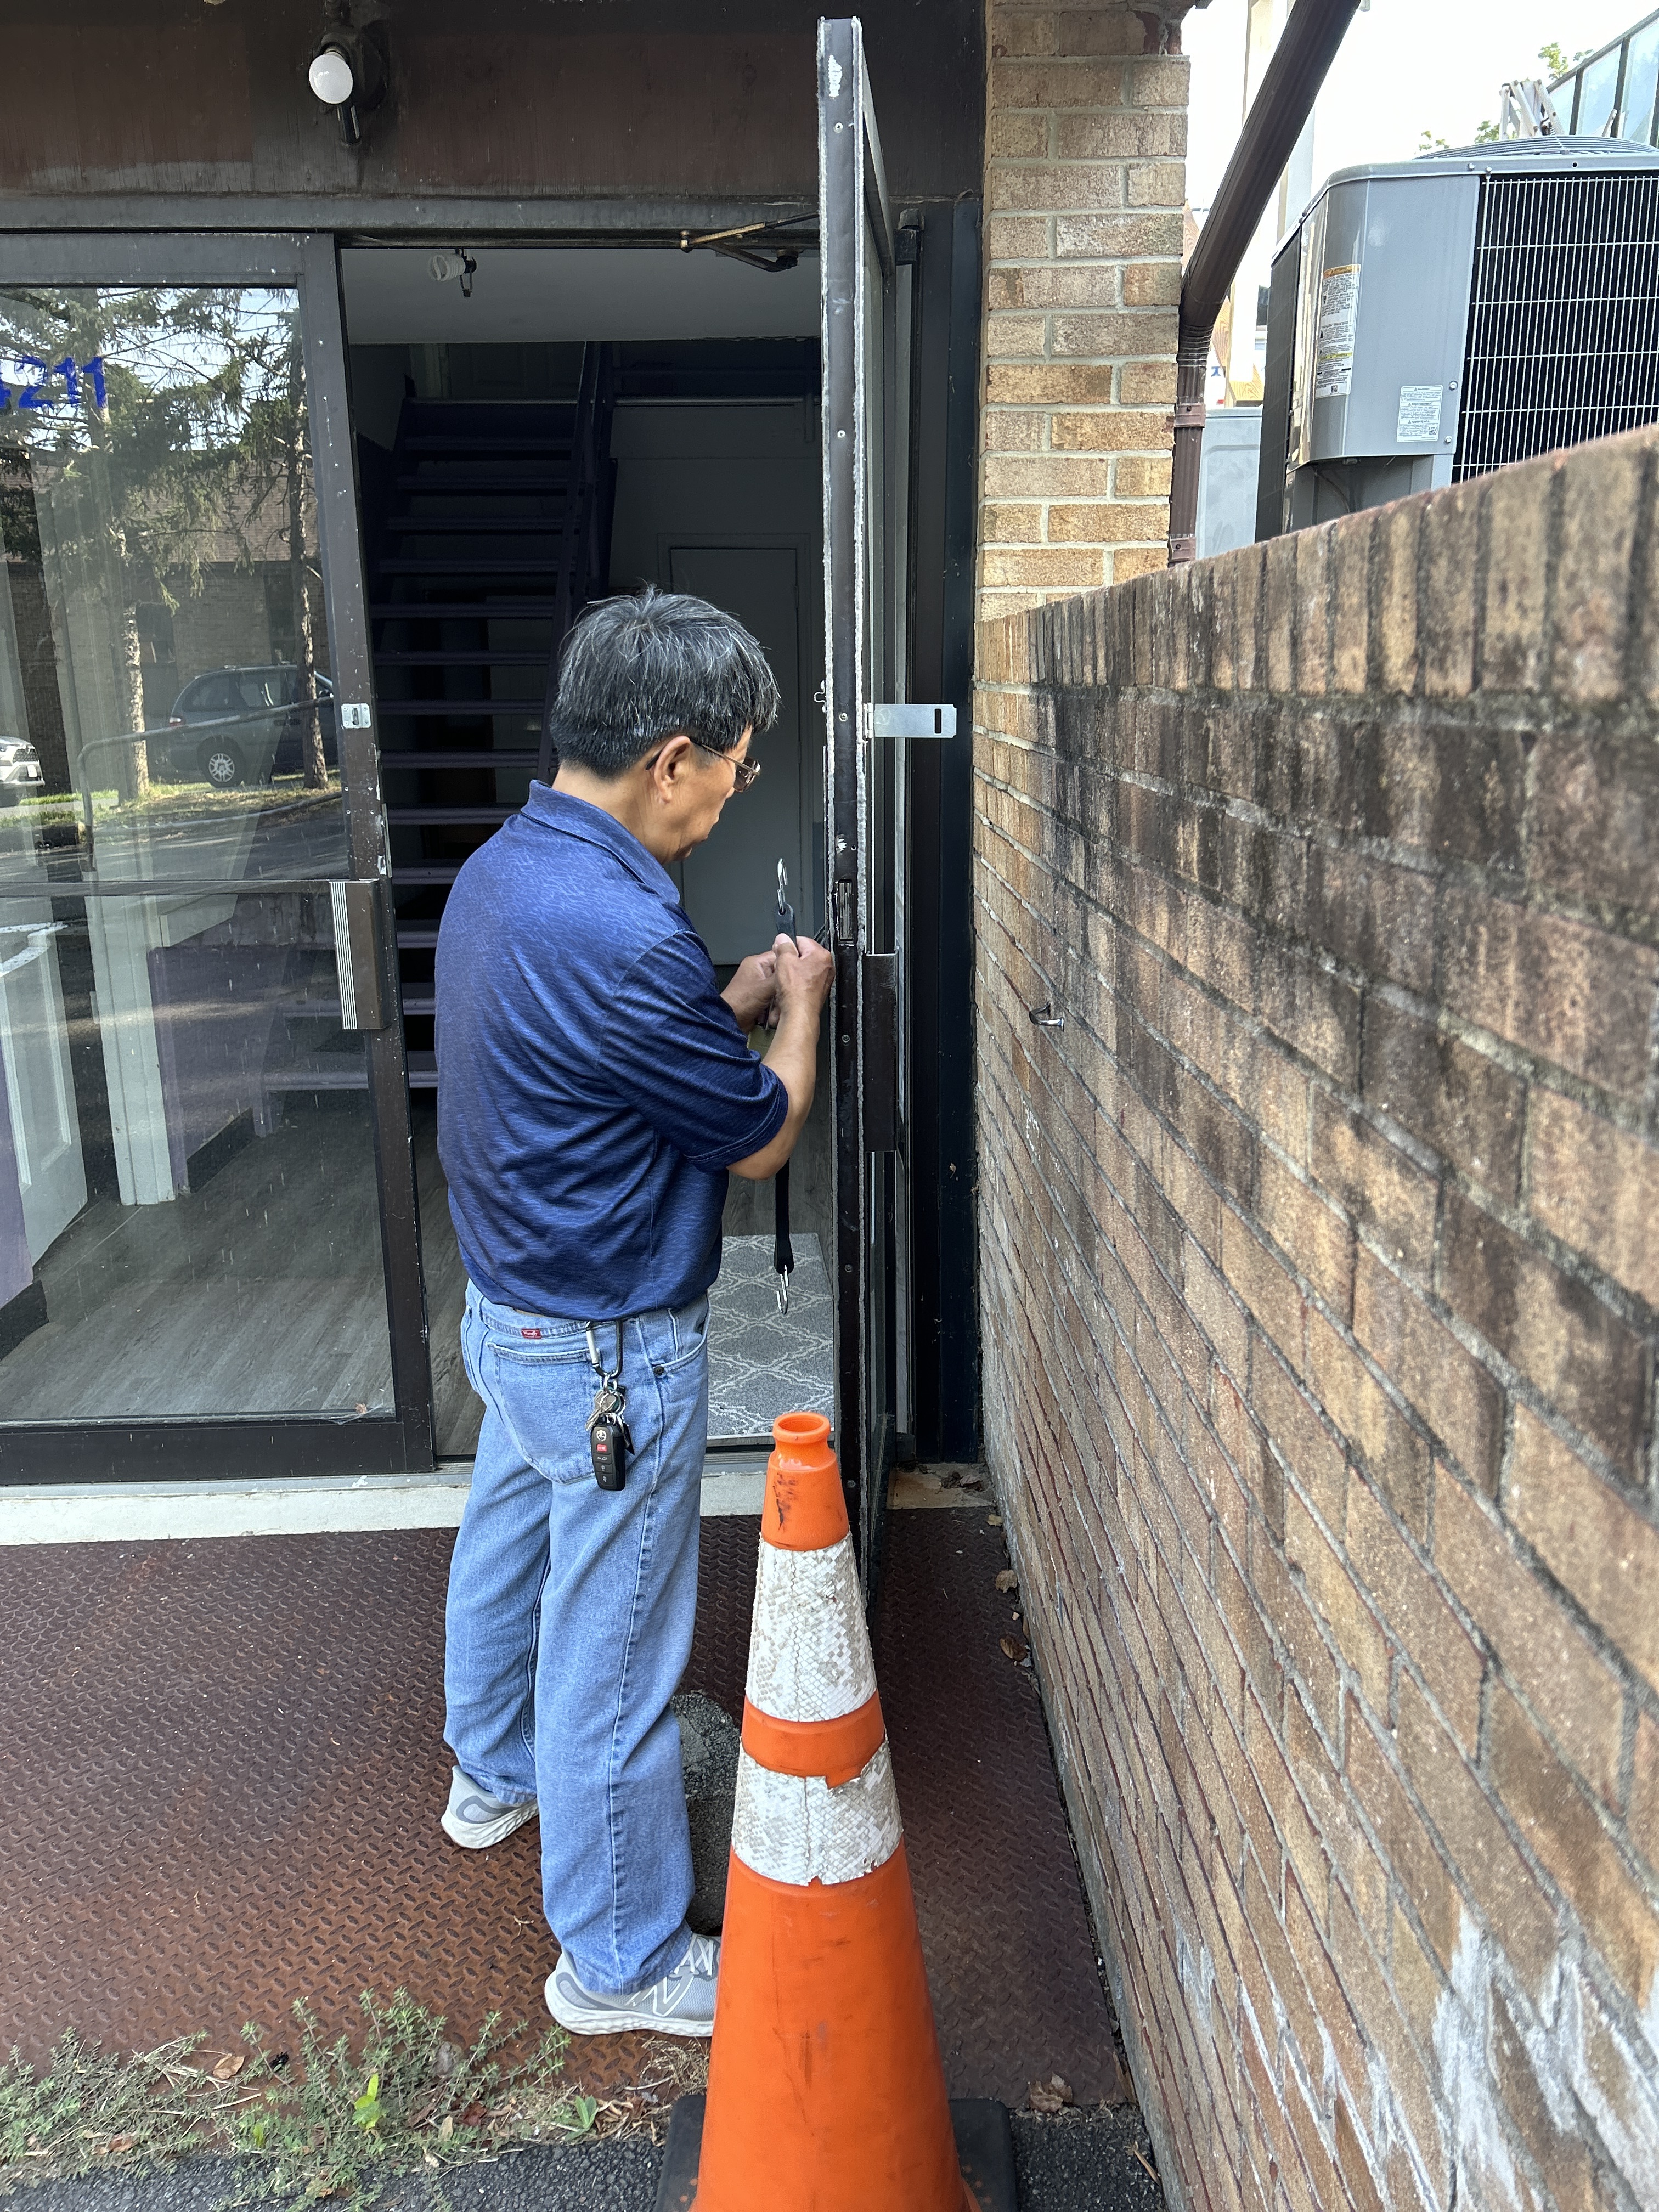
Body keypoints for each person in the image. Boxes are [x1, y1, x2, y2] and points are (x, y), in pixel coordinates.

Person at [433, 588, 833, 2040]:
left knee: (507, 1546)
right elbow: (757, 1135)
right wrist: (799, 1005)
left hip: (513, 1314)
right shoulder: (621, 927)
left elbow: (615, 1057)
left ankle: (493, 1776)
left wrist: (723, 996)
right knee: (615, 1653)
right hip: (607, 1347)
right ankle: (620, 1962)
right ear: (671, 759)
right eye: (734, 767)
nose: (734, 796)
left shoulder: (507, 871)